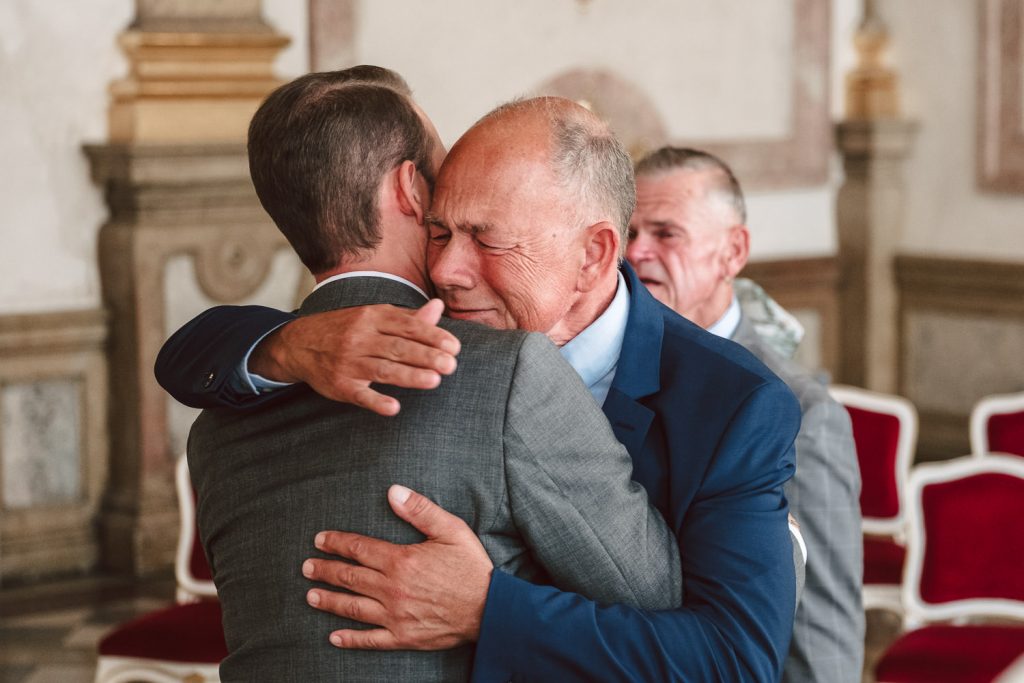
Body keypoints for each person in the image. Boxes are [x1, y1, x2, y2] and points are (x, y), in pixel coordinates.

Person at [158, 97, 802, 680]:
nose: (445, 269)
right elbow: (196, 352)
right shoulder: (415, 334)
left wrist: (491, 610)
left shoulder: (733, 402)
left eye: (485, 239)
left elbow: (735, 661)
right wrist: (282, 346)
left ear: (594, 255)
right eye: (437, 232)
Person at [627, 146, 865, 683]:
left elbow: (821, 642)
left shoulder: (803, 411)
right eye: (630, 231)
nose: (637, 252)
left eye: (666, 234)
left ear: (733, 253)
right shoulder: (608, 366)